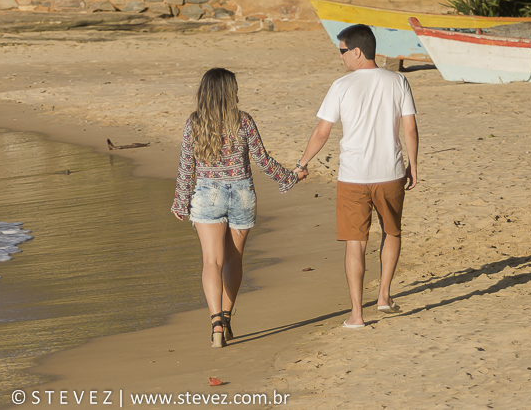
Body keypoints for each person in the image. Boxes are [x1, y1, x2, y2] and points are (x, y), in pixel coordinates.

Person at [171, 68, 307, 348]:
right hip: (242, 193)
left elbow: (187, 165)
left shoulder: (194, 123)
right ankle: (228, 318)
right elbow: (262, 159)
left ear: (204, 92)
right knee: (234, 261)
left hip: (208, 193)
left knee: (212, 262)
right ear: (229, 92)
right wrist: (290, 176)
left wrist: (181, 201)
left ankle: (216, 325)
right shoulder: (243, 121)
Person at [294, 24, 418, 329]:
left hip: (353, 176)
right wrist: (413, 166)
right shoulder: (398, 81)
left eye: (342, 51)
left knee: (355, 242)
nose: (341, 58)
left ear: (357, 52)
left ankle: (356, 315)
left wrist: (302, 163)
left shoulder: (341, 86)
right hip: (390, 171)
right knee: (392, 231)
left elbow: (323, 131)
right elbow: (410, 128)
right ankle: (384, 297)